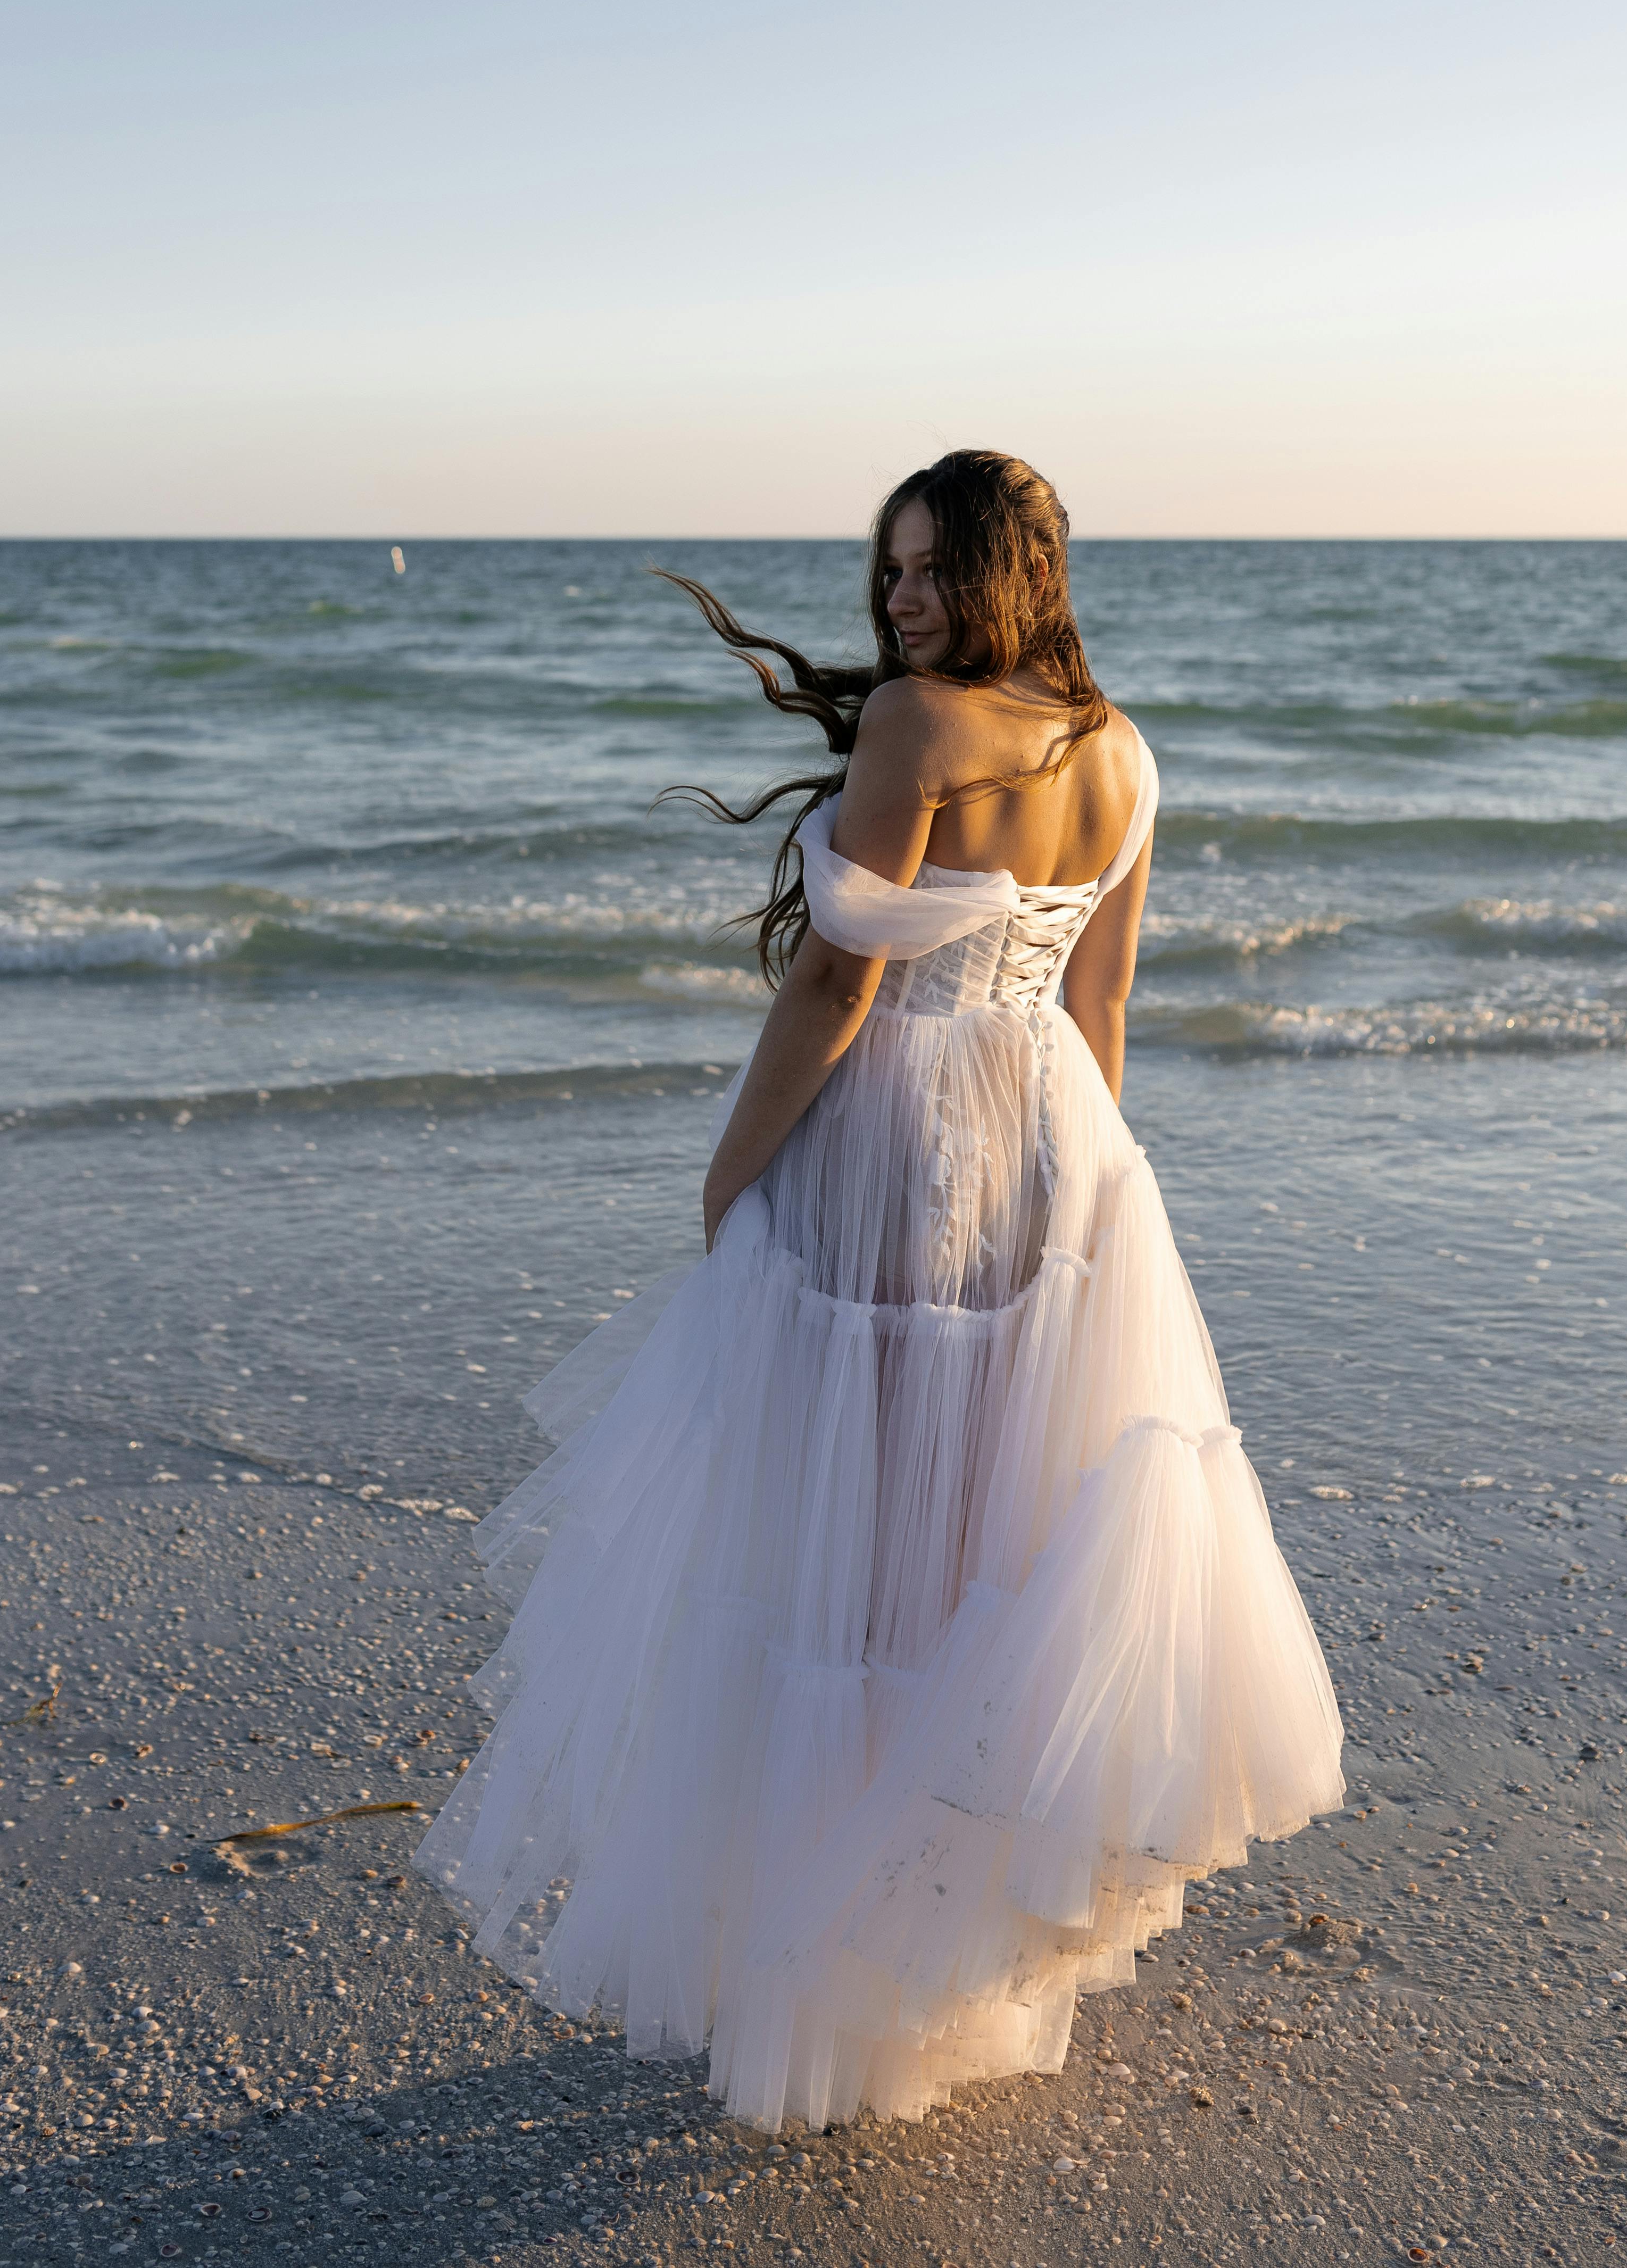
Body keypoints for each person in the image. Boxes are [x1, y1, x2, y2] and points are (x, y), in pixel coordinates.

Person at [416, 450, 1343, 2130]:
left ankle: (828, 1972)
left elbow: (841, 980)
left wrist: (732, 1167)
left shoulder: (920, 725)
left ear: (1009, 572)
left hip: (901, 1143)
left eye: (929, 569)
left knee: (840, 1561)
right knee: (972, 1547)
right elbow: (1098, 1008)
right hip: (1058, 1146)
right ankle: (914, 1959)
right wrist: (1081, 1204)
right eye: (892, 568)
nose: (900, 598)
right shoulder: (1123, 752)